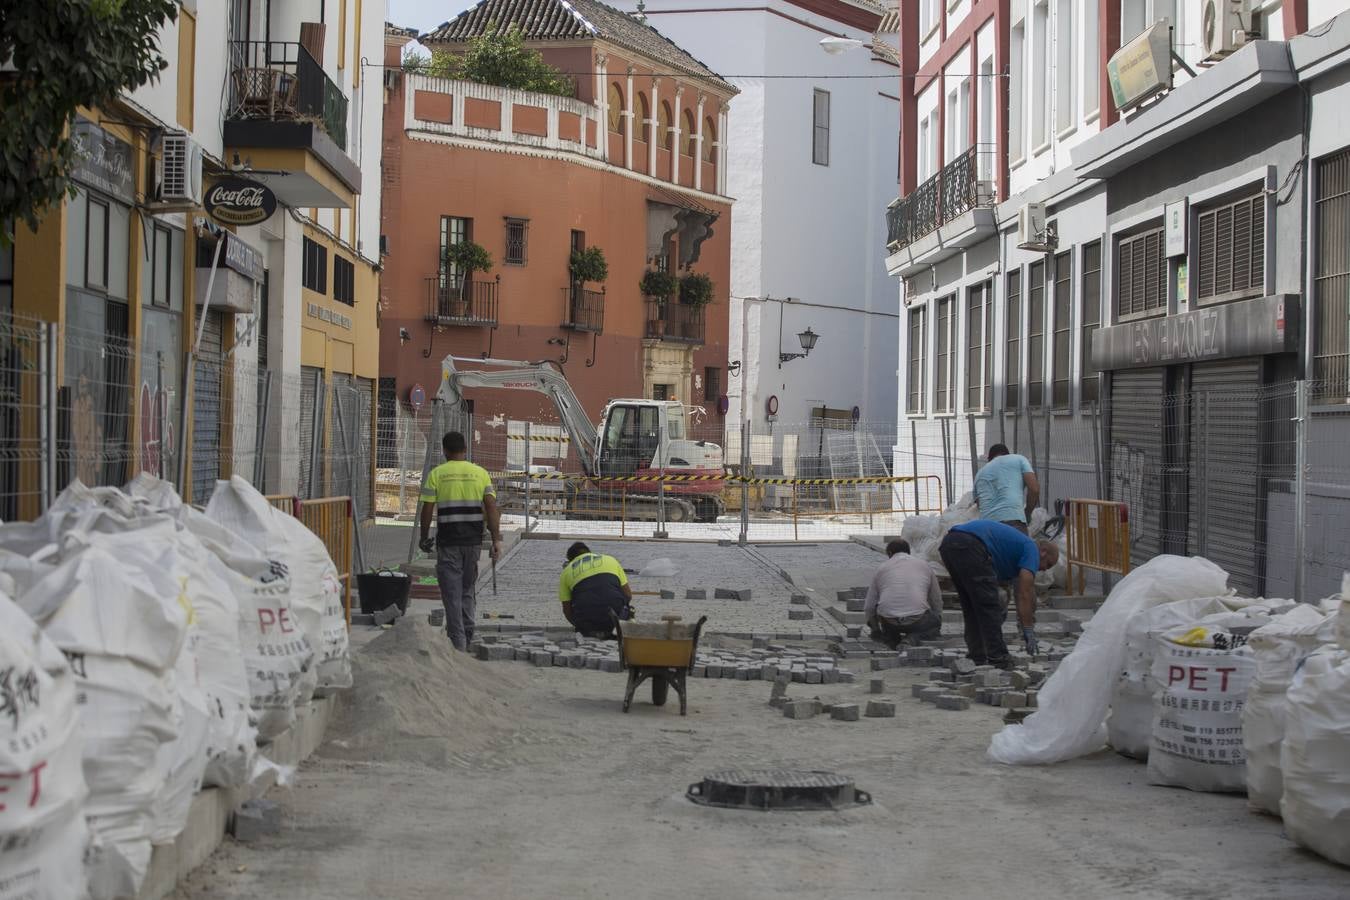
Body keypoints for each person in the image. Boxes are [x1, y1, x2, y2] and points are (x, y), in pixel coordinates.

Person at [418, 431, 502, 651]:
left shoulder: (437, 474)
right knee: (466, 590)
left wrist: (424, 536)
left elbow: (427, 509)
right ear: (465, 449)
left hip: (448, 543)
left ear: (445, 450)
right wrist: (496, 540)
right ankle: (468, 633)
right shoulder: (480, 473)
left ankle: (458, 643)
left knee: (451, 593)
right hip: (473, 543)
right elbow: (492, 508)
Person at [938, 519, 1058, 669]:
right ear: (1043, 552)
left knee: (971, 605)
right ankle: (998, 657)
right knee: (989, 607)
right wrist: (1028, 630)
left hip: (950, 544)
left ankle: (977, 656)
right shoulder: (1031, 549)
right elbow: (1024, 594)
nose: (1045, 569)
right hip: (971, 545)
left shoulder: (1014, 550)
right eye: (1048, 564)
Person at [863, 538, 943, 649]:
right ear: (908, 551)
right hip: (917, 620)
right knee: (934, 625)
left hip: (889, 621)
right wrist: (937, 617)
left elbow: (869, 606)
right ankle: (911, 639)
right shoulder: (924, 565)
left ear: (890, 553)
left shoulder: (881, 568)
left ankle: (891, 639)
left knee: (888, 624)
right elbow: (936, 599)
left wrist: (875, 630)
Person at [557, 542, 633, 639]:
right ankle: (618, 632)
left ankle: (590, 632)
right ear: (589, 552)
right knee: (630, 610)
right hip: (615, 617)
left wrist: (579, 626)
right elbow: (628, 595)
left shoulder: (566, 572)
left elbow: (567, 610)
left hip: (587, 621)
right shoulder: (610, 560)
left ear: (571, 559)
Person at [974, 443, 1040, 534]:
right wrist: (1028, 512)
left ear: (989, 459)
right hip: (1013, 521)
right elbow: (1034, 489)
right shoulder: (1019, 459)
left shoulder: (979, 473)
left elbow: (979, 504)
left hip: (986, 528)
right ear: (1008, 455)